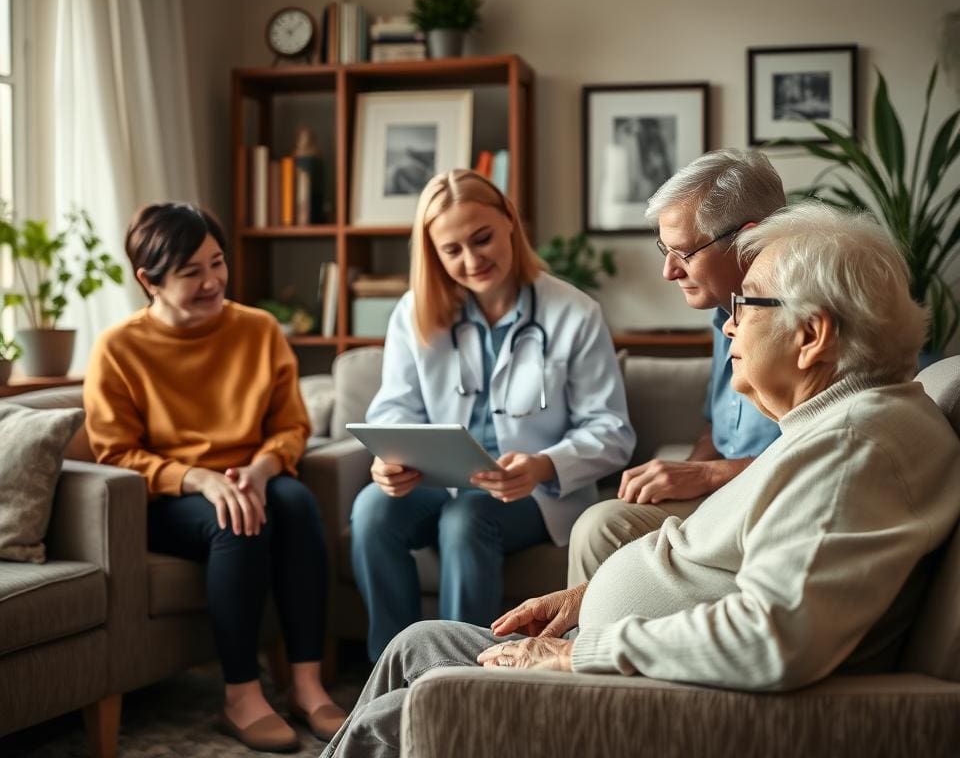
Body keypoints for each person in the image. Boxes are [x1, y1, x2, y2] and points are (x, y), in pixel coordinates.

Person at [320, 202, 960, 758]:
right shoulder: (836, 425)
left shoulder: (853, 451)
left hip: (650, 693)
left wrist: (581, 652)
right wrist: (585, 599)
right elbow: (731, 562)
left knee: (398, 717)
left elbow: (774, 639)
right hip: (631, 662)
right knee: (417, 644)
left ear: (812, 335)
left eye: (747, 303)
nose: (729, 323)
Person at [84, 203, 346, 753]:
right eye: (191, 273)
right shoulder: (119, 348)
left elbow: (292, 425)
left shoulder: (257, 329)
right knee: (236, 520)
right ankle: (241, 695)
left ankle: (305, 684)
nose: (212, 282)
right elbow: (115, 453)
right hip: (168, 496)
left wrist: (261, 466)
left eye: (217, 263)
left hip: (250, 473)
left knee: (295, 503)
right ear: (148, 280)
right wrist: (199, 479)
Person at [351, 169, 635, 661]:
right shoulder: (412, 312)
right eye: (452, 250)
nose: (472, 260)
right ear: (433, 254)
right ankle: (391, 670)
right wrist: (389, 459)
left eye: (482, 238)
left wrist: (544, 465)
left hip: (535, 492)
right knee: (372, 510)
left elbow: (612, 432)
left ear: (509, 221)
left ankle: (461, 676)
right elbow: (396, 406)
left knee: (467, 517)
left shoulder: (574, 312)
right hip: (440, 479)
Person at [568, 148, 785, 586]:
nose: (668, 272)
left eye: (684, 253)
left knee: (601, 527)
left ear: (750, 239)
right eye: (664, 250)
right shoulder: (724, 312)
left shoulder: (805, 323)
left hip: (768, 501)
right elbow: (716, 428)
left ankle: (573, 651)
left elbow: (818, 452)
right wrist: (680, 476)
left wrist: (706, 474)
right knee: (606, 520)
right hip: (724, 491)